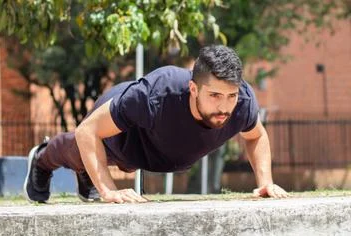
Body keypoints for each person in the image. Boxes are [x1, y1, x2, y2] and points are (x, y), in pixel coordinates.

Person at [24, 45, 288, 203]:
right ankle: (42, 158)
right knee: (84, 148)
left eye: (230, 96)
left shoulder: (241, 102)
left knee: (113, 161)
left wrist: (265, 181)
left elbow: (256, 135)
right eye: (215, 96)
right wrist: (108, 191)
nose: (224, 107)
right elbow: (88, 131)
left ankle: (87, 172)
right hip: (124, 130)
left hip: (156, 149)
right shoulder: (156, 96)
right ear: (193, 89)